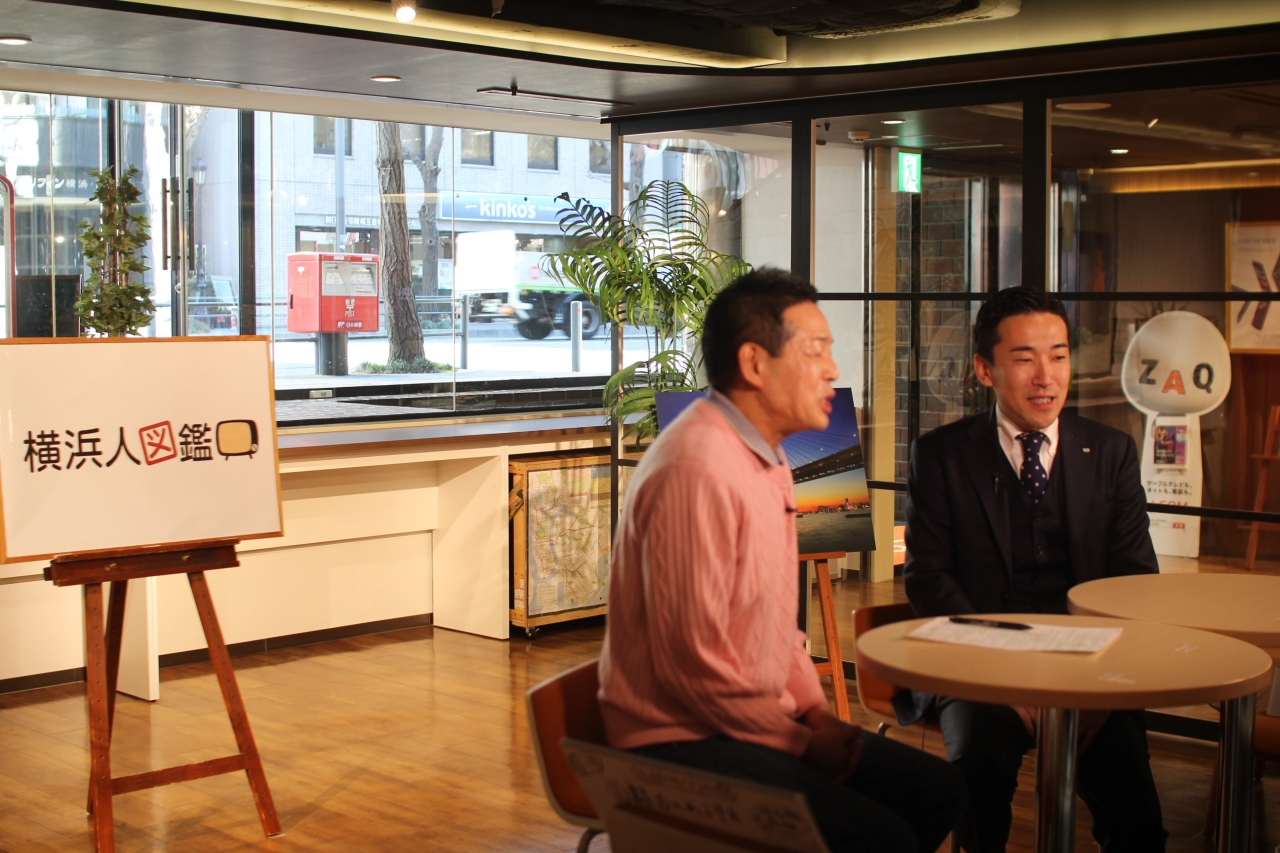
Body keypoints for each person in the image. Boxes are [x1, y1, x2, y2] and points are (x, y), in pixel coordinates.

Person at [598, 268, 966, 853]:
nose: (833, 370)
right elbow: (693, 666)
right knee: (884, 837)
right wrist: (798, 742)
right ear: (754, 363)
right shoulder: (696, 469)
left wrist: (815, 715)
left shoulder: (765, 456)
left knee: (939, 789)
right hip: (681, 740)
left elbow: (773, 624)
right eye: (815, 351)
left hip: (746, 721)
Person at [901, 286, 1167, 853]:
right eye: (1025, 359)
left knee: (1137, 816)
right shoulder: (941, 455)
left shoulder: (1112, 451)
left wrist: (1097, 688)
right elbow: (928, 577)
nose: (1046, 377)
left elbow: (1135, 579)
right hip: (979, 662)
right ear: (985, 370)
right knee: (978, 780)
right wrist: (999, 672)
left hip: (1089, 666)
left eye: (1059, 356)